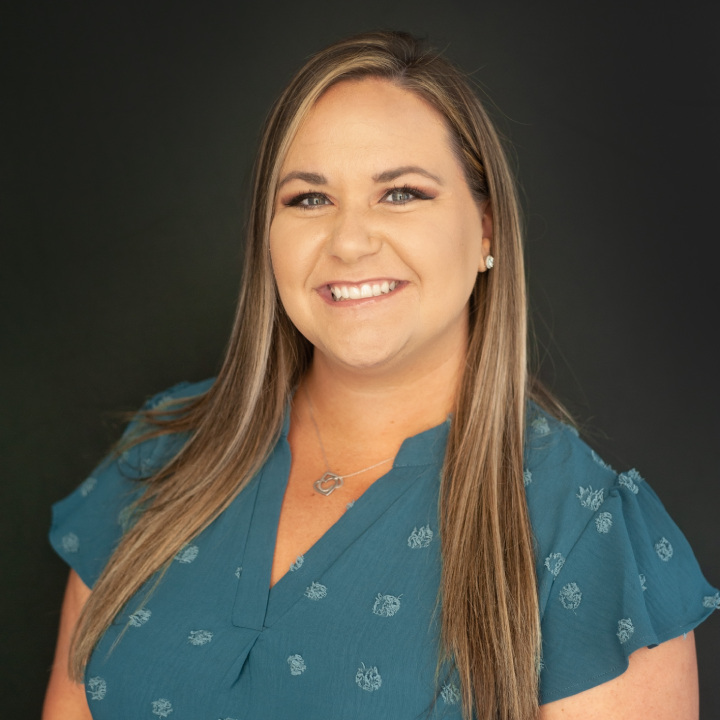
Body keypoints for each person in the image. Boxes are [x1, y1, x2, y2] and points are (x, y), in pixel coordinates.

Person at [43, 31, 717, 720]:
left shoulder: (586, 537)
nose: (349, 240)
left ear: (486, 228)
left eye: (400, 193)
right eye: (308, 199)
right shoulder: (160, 454)